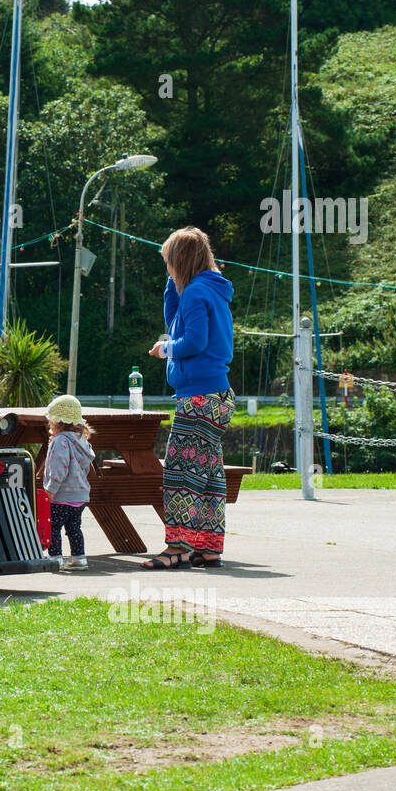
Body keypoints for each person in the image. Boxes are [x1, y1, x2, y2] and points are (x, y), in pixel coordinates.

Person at [145, 226, 235, 570]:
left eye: (170, 263)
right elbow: (176, 321)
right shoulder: (207, 290)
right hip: (217, 394)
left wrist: (166, 348)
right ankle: (209, 547)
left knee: (181, 474)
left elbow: (193, 341)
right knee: (210, 476)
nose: (167, 268)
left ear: (180, 261)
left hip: (198, 397)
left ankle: (178, 547)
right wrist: (174, 282)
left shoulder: (197, 293)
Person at [42, 394, 95, 573]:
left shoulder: (60, 441)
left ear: (57, 422)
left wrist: (51, 488)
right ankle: (79, 558)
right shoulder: (81, 440)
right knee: (74, 528)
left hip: (61, 495)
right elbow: (85, 467)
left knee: (54, 527)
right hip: (80, 496)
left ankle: (55, 558)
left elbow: (59, 467)